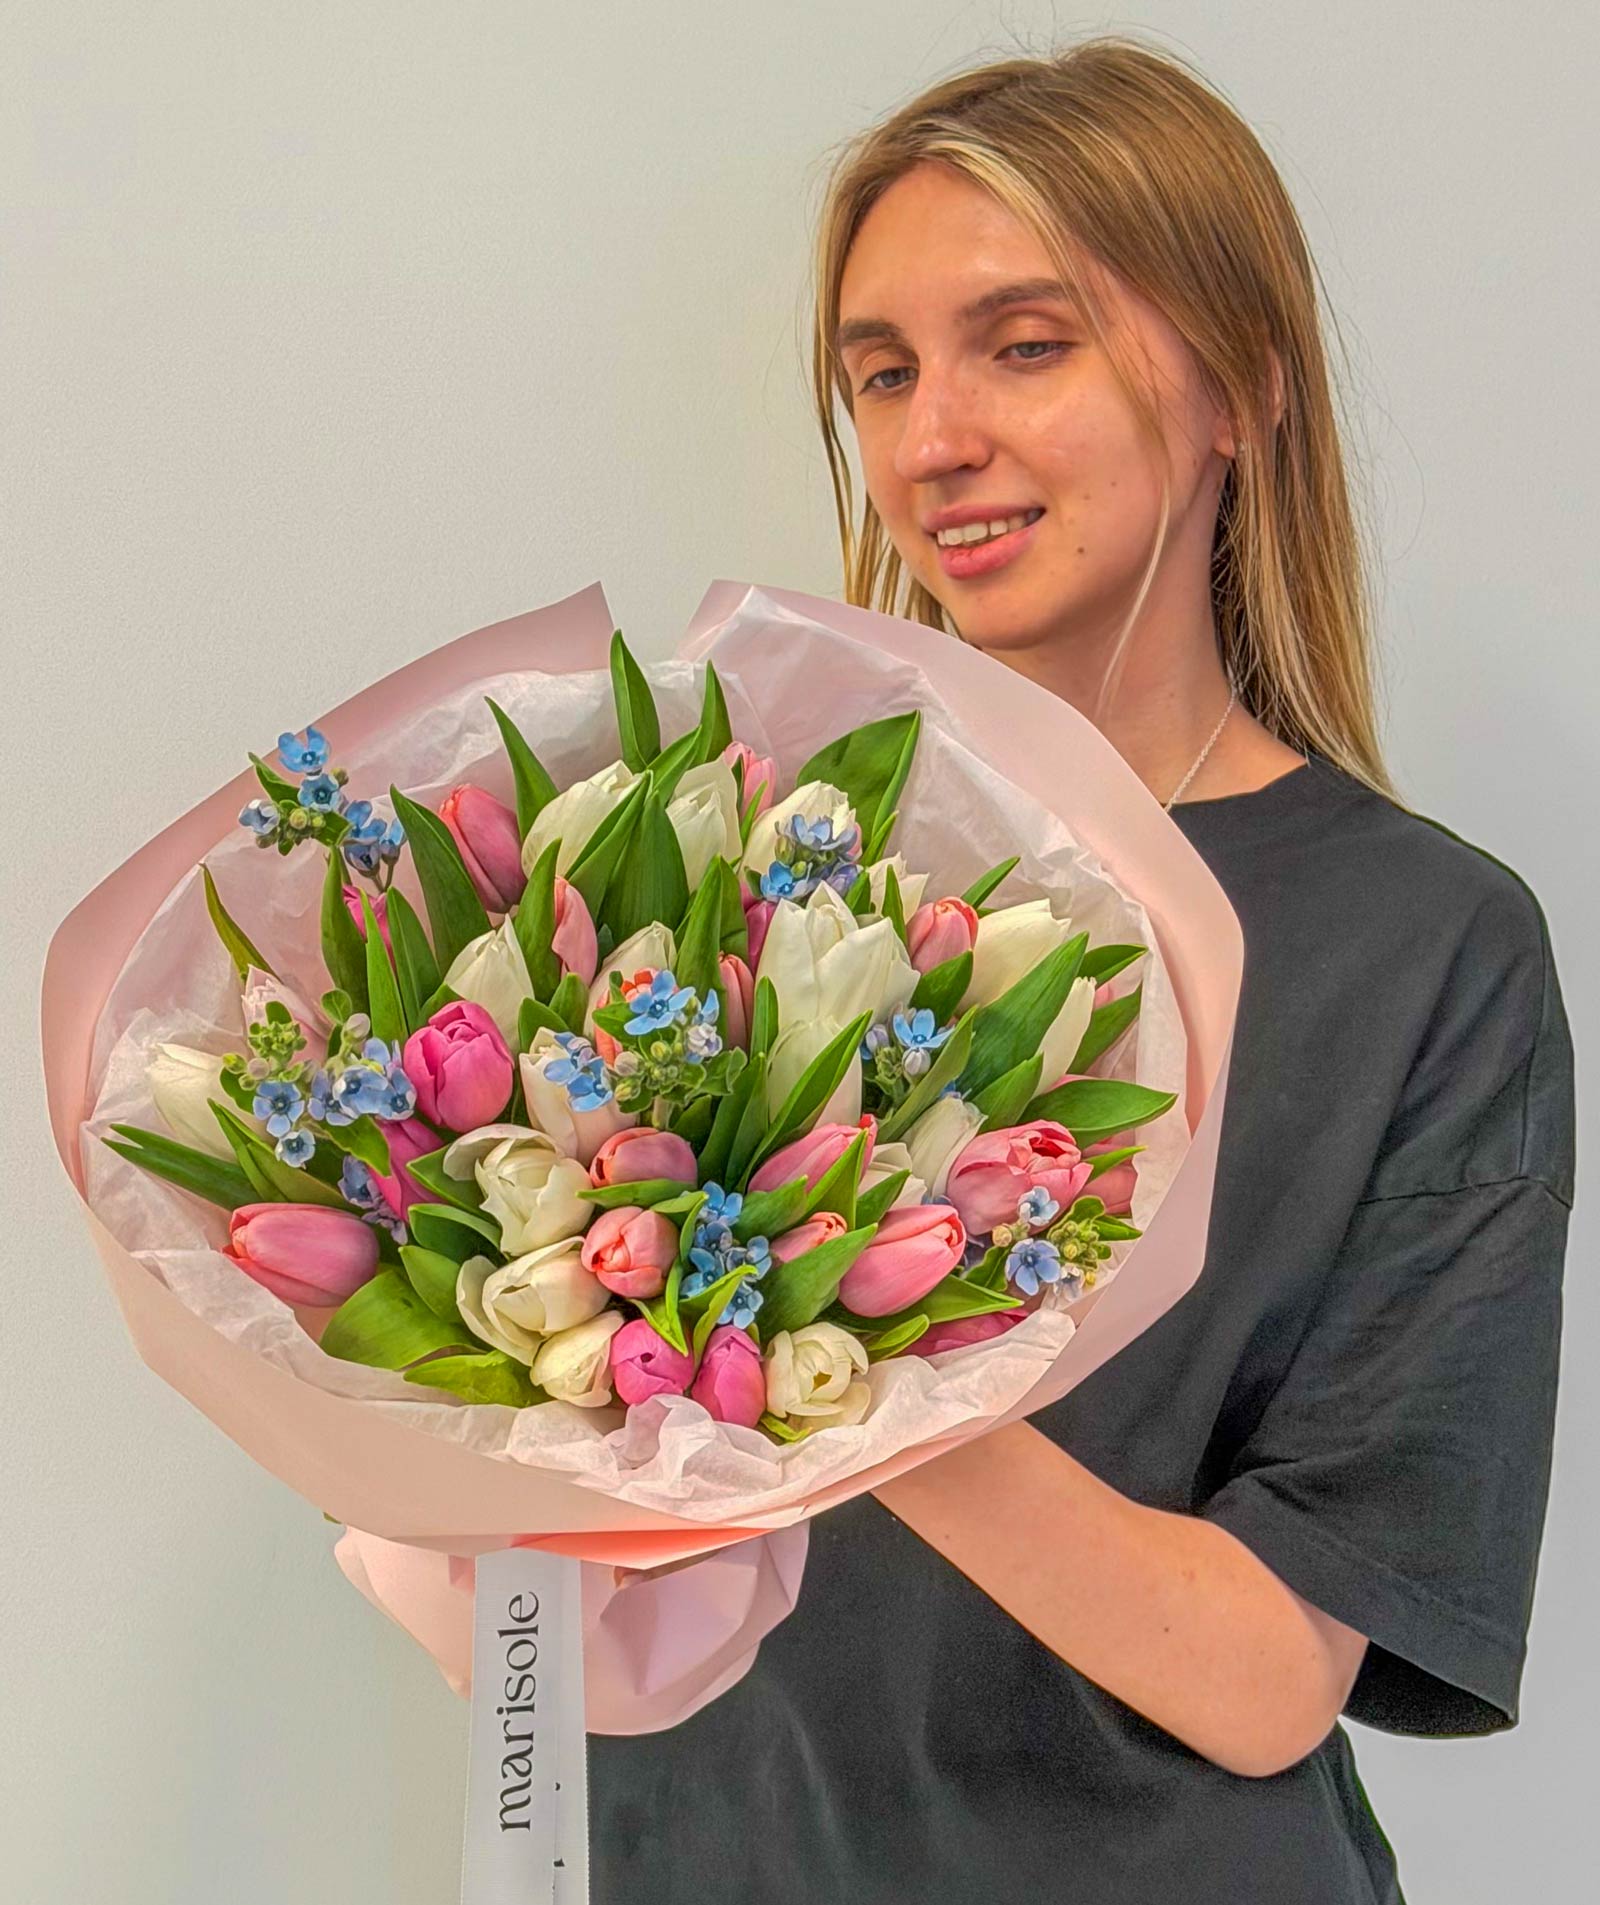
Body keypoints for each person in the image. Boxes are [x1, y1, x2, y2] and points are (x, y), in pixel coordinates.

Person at [589, 36, 1575, 1902]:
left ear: (1238, 388)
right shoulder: (712, 870)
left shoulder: (1426, 953)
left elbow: (1273, 1676)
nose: (930, 437)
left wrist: (820, 1336)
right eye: (880, 373)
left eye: (1021, 345)